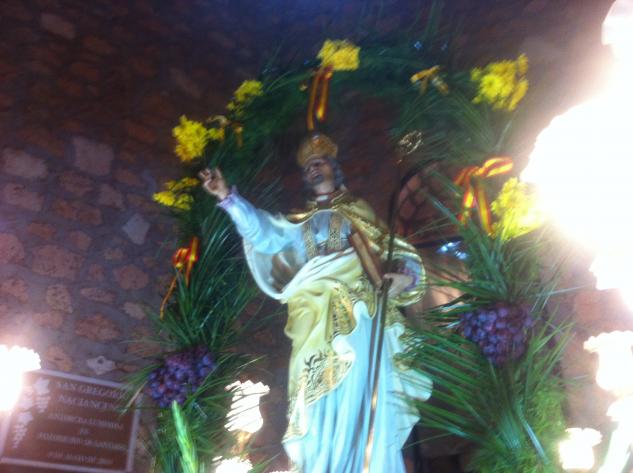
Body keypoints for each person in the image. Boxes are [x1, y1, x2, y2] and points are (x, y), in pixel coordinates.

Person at [200, 133, 431, 473]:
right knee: (313, 395)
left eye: (319, 162)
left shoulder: (358, 211)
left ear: (334, 168)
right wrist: (228, 198)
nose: (313, 169)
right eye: (307, 166)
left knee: (361, 388)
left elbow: (393, 252)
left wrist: (404, 277)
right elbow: (263, 232)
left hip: (359, 311)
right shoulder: (299, 220)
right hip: (312, 317)